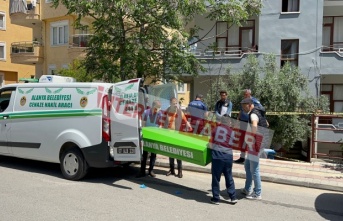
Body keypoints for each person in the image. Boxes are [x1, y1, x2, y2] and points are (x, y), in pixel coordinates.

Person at [240, 97, 268, 200]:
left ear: (249, 105)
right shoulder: (259, 112)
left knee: (254, 169)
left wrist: (252, 137)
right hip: (258, 143)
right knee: (247, 166)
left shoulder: (253, 114)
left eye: (244, 107)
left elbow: (254, 126)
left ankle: (257, 193)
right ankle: (247, 188)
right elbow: (267, 124)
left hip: (255, 144)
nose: (243, 109)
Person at [209, 114, 237, 205]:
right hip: (228, 157)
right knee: (229, 176)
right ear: (229, 122)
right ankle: (233, 197)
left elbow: (210, 144)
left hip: (217, 157)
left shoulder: (215, 129)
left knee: (216, 178)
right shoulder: (232, 132)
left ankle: (216, 198)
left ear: (221, 121)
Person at [163, 97, 192, 178]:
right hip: (168, 135)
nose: (175, 105)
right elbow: (162, 121)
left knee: (178, 153)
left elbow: (185, 120)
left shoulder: (179, 112)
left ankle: (180, 171)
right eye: (174, 104)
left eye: (176, 103)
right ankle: (172, 170)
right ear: (170, 104)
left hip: (177, 136)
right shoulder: (167, 111)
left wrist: (188, 125)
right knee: (170, 153)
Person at [235, 89, 264, 164]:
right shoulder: (243, 101)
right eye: (244, 94)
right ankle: (242, 157)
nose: (244, 95)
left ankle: (251, 158)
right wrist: (238, 120)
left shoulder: (254, 101)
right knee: (242, 140)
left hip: (250, 122)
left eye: (246, 94)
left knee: (250, 139)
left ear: (249, 94)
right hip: (243, 122)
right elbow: (241, 111)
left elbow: (262, 109)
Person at [136, 100, 162, 178]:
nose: (158, 109)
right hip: (147, 135)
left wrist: (159, 131)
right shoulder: (146, 112)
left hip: (154, 136)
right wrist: (143, 133)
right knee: (145, 154)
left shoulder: (159, 114)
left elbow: (160, 125)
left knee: (153, 154)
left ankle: (151, 170)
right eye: (157, 108)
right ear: (153, 106)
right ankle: (142, 171)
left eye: (159, 108)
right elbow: (143, 124)